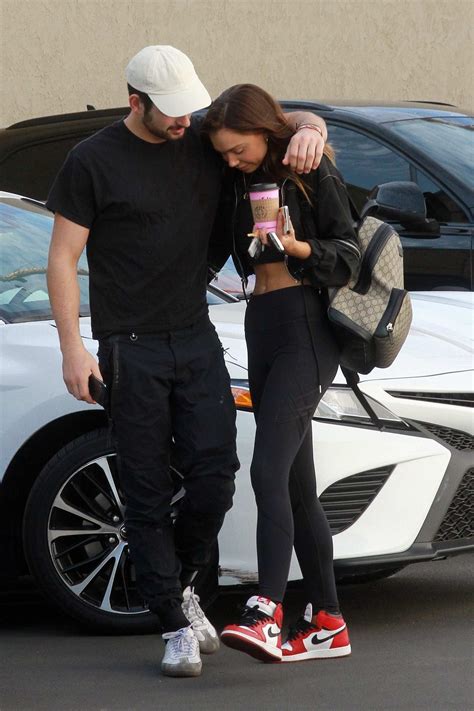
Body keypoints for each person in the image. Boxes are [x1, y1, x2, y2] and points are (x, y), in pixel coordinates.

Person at [46, 47, 328, 677]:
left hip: (195, 337)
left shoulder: (203, 136)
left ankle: (186, 589)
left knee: (214, 477)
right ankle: (173, 623)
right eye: (170, 113)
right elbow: (63, 256)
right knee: (144, 491)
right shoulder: (91, 161)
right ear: (134, 101)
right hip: (130, 346)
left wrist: (313, 130)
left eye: (188, 112)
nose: (183, 123)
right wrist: (74, 347)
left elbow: (278, 119)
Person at [201, 84, 361, 663]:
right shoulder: (238, 178)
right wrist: (307, 121)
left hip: (305, 327)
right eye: (222, 153)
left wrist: (296, 246)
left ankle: (266, 610)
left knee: (267, 469)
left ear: (264, 133)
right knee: (297, 488)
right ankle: (328, 624)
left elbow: (346, 256)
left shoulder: (310, 171)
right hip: (260, 325)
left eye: (238, 150)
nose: (230, 160)